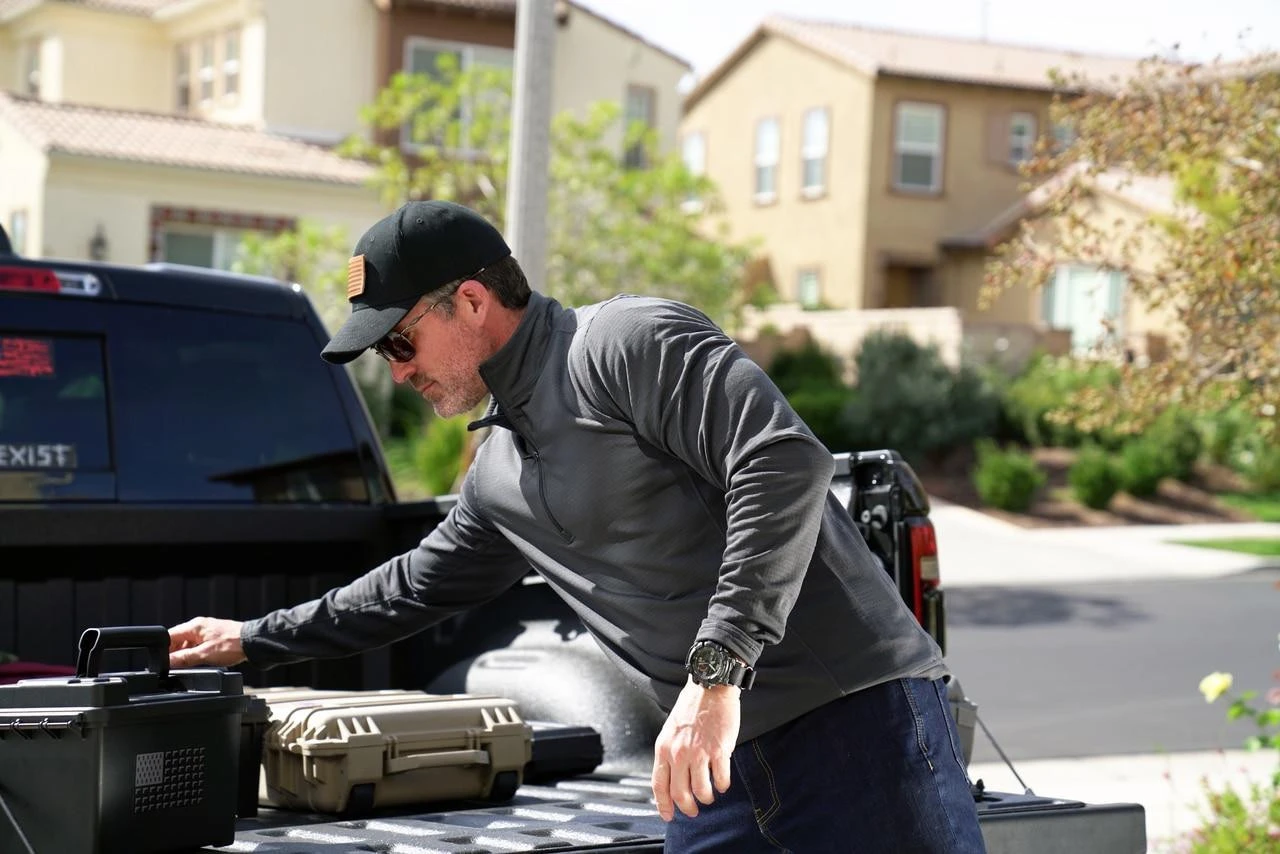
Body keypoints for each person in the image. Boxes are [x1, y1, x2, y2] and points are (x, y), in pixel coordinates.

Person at [169, 200, 987, 853]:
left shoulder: (625, 343)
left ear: (473, 301)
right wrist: (250, 638)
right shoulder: (497, 470)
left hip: (850, 724)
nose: (400, 369)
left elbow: (783, 462)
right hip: (712, 766)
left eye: (401, 341)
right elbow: (413, 587)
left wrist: (715, 677)